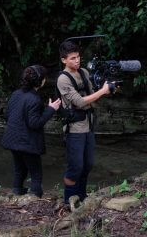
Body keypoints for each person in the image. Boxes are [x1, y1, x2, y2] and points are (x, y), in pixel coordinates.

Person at [57, 41, 110, 204]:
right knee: (75, 167)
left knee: (88, 165)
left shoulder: (84, 72)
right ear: (64, 60)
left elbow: (92, 96)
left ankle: (82, 196)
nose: (77, 61)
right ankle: (68, 200)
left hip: (88, 124)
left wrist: (108, 90)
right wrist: (102, 91)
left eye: (78, 57)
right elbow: (79, 102)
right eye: (72, 58)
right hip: (74, 128)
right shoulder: (62, 79)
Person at [1, 65, 61, 197]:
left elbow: (7, 116)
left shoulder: (16, 94)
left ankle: (17, 190)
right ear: (41, 81)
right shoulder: (35, 99)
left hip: (12, 139)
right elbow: (35, 123)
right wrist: (51, 109)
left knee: (19, 168)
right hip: (27, 143)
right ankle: (35, 195)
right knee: (35, 172)